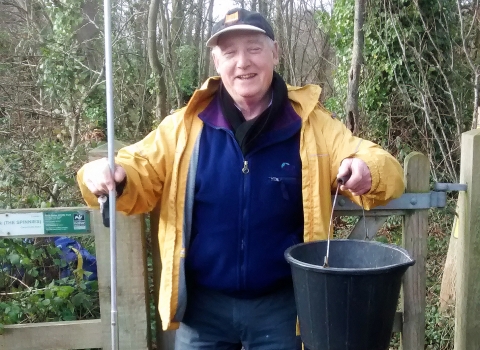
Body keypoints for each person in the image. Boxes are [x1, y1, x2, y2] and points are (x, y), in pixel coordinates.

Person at [77, 8, 405, 350]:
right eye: (230, 52)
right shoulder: (185, 127)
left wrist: (366, 169)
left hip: (283, 309)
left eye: (254, 48)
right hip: (202, 313)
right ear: (216, 62)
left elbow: (380, 164)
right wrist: (104, 174)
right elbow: (138, 168)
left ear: (275, 53)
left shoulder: (311, 125)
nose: (242, 62)